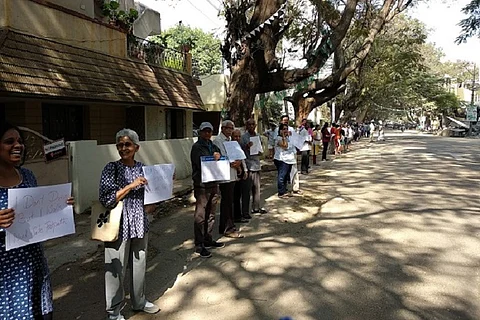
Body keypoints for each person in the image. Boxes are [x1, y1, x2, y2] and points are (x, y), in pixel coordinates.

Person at [0, 122, 74, 320]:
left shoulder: (27, 176)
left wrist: (60, 207)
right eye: (9, 141)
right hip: (6, 273)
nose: (18, 145)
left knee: (41, 314)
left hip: (34, 263)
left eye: (20, 141)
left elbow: (36, 212)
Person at [99, 128, 160, 320]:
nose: (123, 148)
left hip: (140, 222)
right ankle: (113, 312)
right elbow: (107, 199)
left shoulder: (143, 168)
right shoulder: (111, 168)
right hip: (118, 225)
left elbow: (151, 197)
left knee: (139, 264)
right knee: (115, 268)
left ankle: (139, 301)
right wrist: (130, 186)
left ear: (136, 147)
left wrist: (161, 187)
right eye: (120, 144)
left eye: (127, 144)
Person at [190, 122, 224, 259]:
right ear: (200, 132)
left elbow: (220, 160)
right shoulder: (197, 147)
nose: (207, 134)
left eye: (209, 131)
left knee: (211, 213)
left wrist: (219, 157)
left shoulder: (214, 146)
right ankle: (199, 244)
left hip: (214, 184)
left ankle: (208, 239)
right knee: (200, 215)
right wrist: (213, 158)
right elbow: (201, 163)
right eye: (205, 131)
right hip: (202, 185)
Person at [213, 120, 244, 239]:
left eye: (232, 128)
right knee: (227, 202)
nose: (230, 130)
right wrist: (233, 163)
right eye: (228, 128)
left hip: (232, 174)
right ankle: (227, 228)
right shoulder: (218, 141)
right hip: (225, 175)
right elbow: (222, 157)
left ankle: (227, 226)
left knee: (229, 201)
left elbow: (237, 155)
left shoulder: (231, 141)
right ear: (223, 128)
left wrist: (239, 164)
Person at [241, 119, 267, 215]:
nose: (251, 126)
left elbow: (261, 150)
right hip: (248, 166)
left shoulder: (258, 136)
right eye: (249, 124)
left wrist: (260, 151)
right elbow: (240, 151)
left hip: (256, 165)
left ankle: (256, 207)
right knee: (247, 190)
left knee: (257, 188)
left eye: (253, 124)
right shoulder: (243, 138)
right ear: (246, 126)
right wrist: (247, 147)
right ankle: (245, 211)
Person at [274, 123, 296, 198]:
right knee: (282, 176)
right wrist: (283, 136)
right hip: (281, 159)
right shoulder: (278, 138)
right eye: (283, 129)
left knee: (286, 175)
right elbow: (284, 145)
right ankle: (281, 192)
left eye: (286, 129)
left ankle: (285, 190)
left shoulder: (288, 138)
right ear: (280, 130)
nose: (285, 130)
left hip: (288, 159)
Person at [232, 129, 249, 223]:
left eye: (239, 136)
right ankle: (235, 216)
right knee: (234, 196)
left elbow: (242, 159)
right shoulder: (230, 146)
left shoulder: (238, 146)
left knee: (238, 195)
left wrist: (245, 170)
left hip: (240, 172)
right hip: (234, 173)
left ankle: (238, 216)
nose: (237, 138)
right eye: (235, 136)